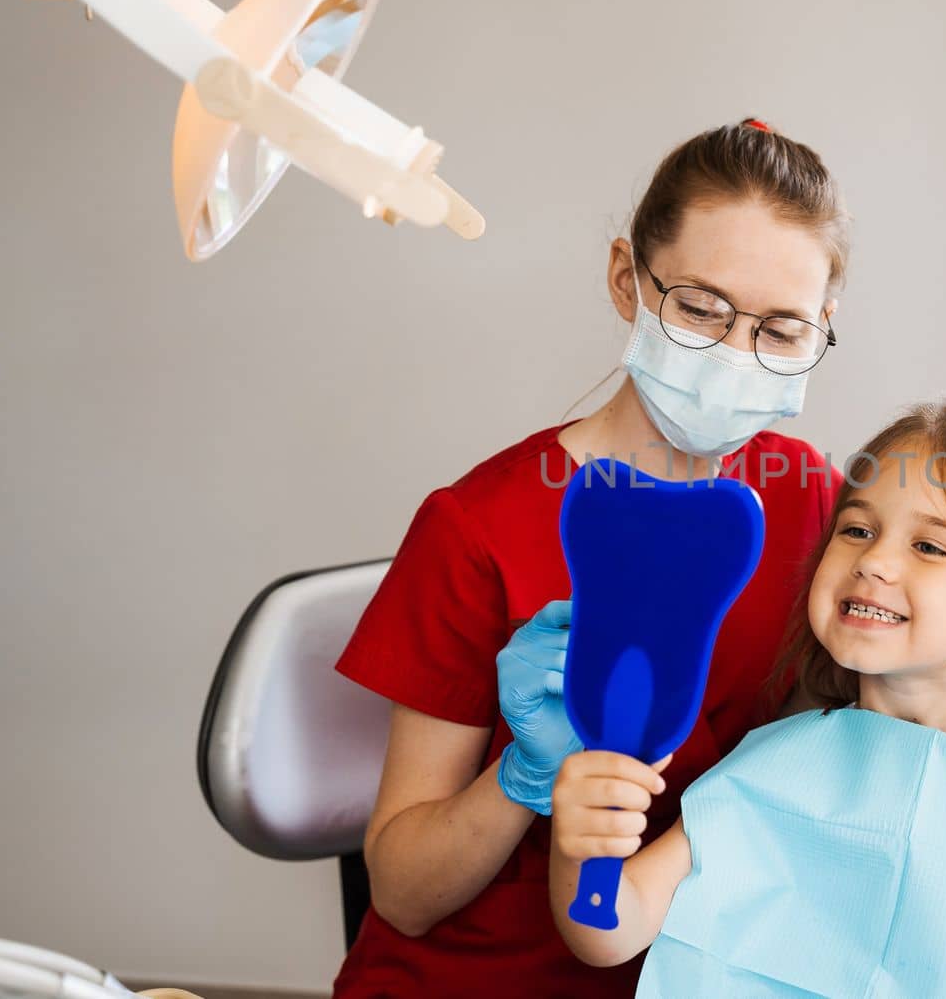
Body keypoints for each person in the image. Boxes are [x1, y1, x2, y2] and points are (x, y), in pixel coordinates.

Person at [331, 118, 850, 997]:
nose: (734, 355)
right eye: (700, 307)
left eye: (779, 329)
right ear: (627, 282)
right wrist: (523, 776)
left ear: (822, 327)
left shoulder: (810, 501)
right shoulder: (477, 528)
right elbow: (403, 892)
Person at [548, 394, 946, 972]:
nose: (873, 561)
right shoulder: (776, 762)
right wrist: (584, 847)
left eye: (928, 546)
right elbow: (610, 931)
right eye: (858, 529)